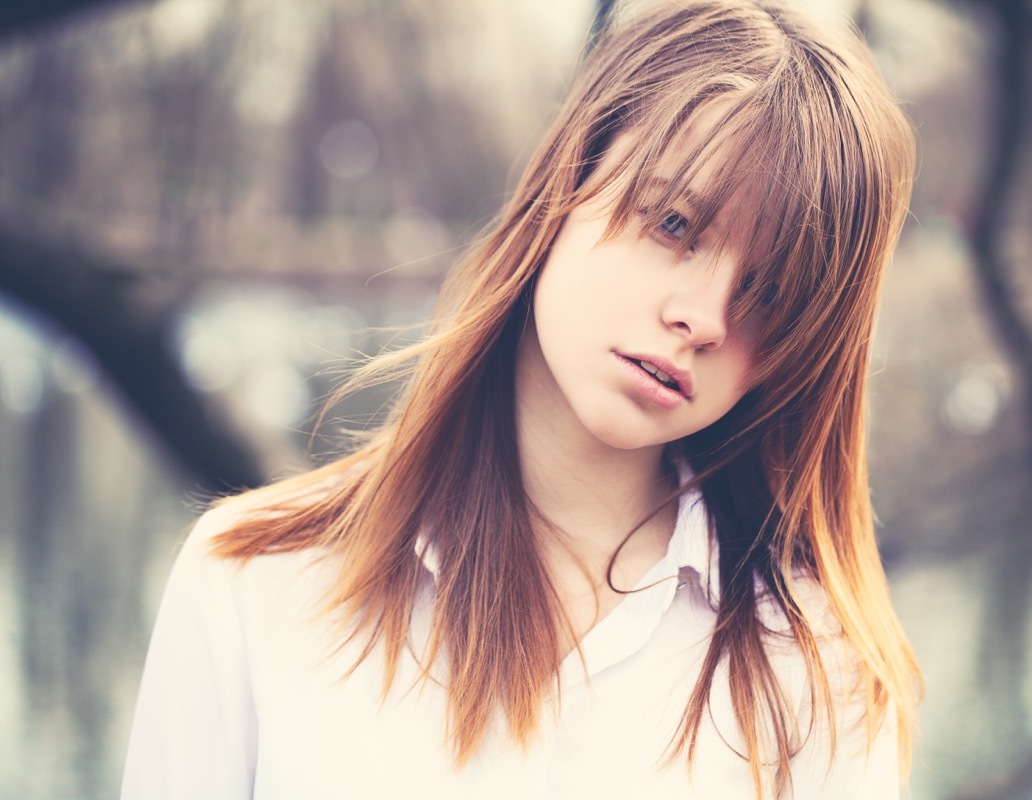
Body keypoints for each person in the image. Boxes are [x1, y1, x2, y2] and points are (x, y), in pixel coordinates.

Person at [122, 1, 921, 798]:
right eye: (675, 223)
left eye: (772, 293)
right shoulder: (256, 584)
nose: (704, 318)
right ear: (568, 182)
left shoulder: (825, 680)